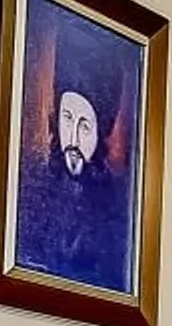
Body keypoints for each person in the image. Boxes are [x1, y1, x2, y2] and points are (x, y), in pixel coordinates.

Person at [13, 79, 135, 295]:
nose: (73, 139)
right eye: (68, 119)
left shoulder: (116, 208)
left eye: (85, 126)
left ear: (100, 134)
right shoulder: (35, 189)